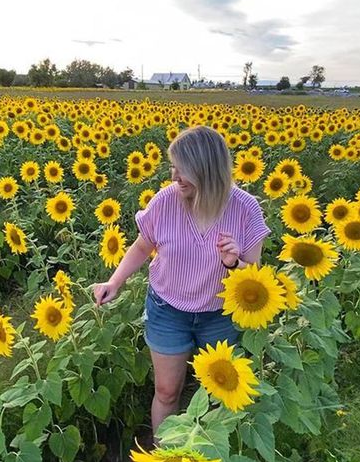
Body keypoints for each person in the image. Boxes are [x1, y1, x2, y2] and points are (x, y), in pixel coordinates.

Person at [91, 126, 269, 441]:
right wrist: (115, 281)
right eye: (172, 167)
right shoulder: (166, 201)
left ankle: (208, 459)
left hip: (220, 316)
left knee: (217, 393)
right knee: (167, 390)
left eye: (182, 170)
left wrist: (234, 264)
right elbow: (143, 246)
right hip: (167, 310)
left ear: (206, 171)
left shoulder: (244, 210)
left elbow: (254, 276)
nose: (174, 176)